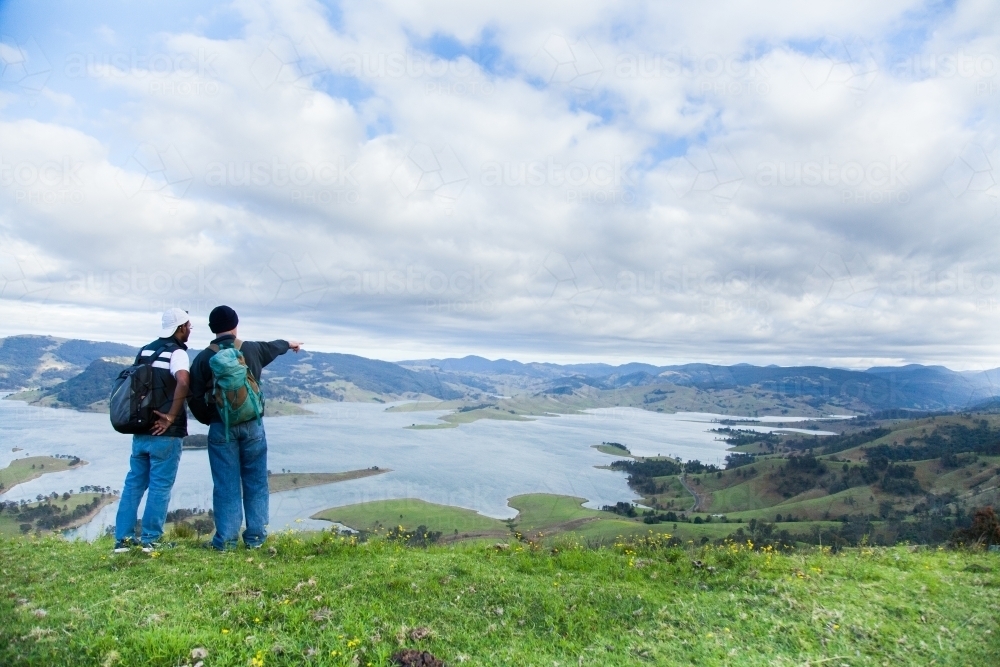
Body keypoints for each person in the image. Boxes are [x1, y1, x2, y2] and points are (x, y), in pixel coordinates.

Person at [188, 305, 302, 550]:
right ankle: (256, 538)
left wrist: (211, 420)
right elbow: (275, 346)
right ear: (235, 324)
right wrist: (291, 343)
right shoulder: (251, 349)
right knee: (256, 482)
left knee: (226, 485)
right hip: (253, 426)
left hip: (221, 428)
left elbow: (194, 398)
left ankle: (226, 541)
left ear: (212, 329)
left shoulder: (203, 358)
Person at [113, 308, 192, 553]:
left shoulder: (145, 351)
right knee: (160, 486)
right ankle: (151, 540)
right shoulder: (177, 353)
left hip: (140, 429)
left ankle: (123, 541)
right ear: (179, 328)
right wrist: (170, 416)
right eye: (188, 326)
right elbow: (183, 381)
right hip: (165, 434)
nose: (190, 330)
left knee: (134, 484)